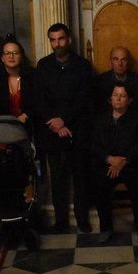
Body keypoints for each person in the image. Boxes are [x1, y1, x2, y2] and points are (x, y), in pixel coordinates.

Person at [35, 23, 95, 232]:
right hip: (52, 131)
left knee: (81, 178)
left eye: (60, 39)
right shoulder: (43, 65)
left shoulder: (83, 66)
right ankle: (60, 221)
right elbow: (39, 99)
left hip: (77, 130)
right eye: (53, 40)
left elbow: (84, 98)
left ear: (68, 40)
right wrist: (55, 123)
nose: (57, 44)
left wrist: (64, 120)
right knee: (57, 179)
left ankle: (82, 220)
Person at [92, 81, 138, 243]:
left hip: (130, 165)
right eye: (115, 95)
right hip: (108, 165)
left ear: (129, 100)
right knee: (98, 185)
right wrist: (110, 159)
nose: (118, 99)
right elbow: (94, 144)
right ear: (110, 98)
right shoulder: (100, 118)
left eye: (122, 96)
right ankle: (106, 228)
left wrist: (124, 161)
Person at [0, 36, 38, 136]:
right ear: (2, 58)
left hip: (29, 126)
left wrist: (26, 115)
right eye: (7, 53)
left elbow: (38, 101)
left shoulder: (32, 76)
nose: (11, 56)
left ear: (21, 57)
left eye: (15, 53)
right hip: (1, 129)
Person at [96, 46, 138, 124]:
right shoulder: (101, 80)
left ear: (128, 62)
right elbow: (99, 107)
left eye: (124, 59)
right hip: (107, 122)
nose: (120, 63)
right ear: (110, 61)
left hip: (132, 121)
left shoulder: (137, 80)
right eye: (116, 59)